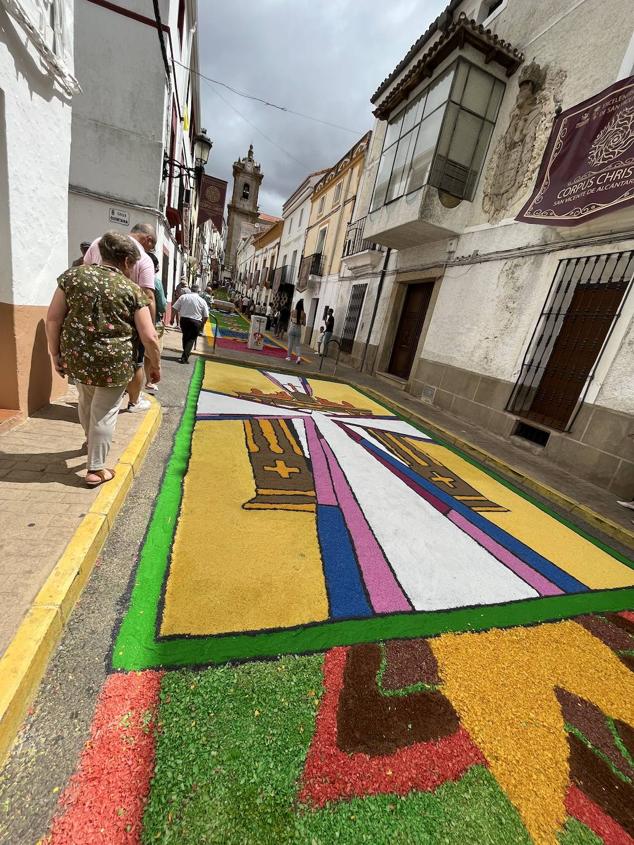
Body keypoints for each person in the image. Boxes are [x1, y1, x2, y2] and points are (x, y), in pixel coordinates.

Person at [46, 231, 161, 487]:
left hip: (78, 358)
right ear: (129, 262)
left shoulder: (73, 277)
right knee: (105, 411)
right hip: (114, 361)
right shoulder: (131, 290)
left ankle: (91, 441)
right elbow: (149, 336)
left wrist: (55, 352)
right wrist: (156, 365)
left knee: (86, 401)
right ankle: (96, 469)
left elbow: (53, 318)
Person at [83, 222, 157, 412]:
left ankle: (92, 411)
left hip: (89, 320)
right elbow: (148, 297)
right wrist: (151, 330)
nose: (151, 249)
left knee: (88, 396)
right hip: (125, 325)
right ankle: (133, 401)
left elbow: (85, 274)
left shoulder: (97, 243)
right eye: (152, 244)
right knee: (135, 363)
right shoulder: (144, 262)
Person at [144, 252, 166, 395]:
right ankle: (149, 381)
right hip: (152, 321)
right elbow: (163, 305)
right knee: (151, 352)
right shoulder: (154, 281)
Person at [173, 283, 209, 363]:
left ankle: (185, 354)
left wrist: (172, 318)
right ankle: (184, 357)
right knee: (191, 339)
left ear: (190, 289)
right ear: (198, 291)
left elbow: (175, 308)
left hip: (184, 320)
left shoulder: (183, 297)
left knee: (185, 337)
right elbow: (206, 316)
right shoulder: (202, 301)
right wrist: (202, 324)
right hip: (196, 322)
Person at [286, 299, 306, 364]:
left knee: (290, 343)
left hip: (292, 328)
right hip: (298, 329)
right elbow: (304, 324)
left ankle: (289, 357)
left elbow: (291, 320)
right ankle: (299, 357)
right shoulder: (304, 314)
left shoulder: (293, 311)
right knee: (297, 344)